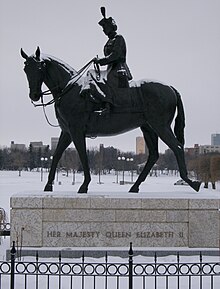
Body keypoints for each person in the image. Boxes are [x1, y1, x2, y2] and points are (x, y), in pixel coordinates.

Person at [82, 7, 132, 114]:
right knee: (91, 73)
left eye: (105, 27)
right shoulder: (109, 41)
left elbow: (116, 55)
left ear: (111, 27)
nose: (104, 30)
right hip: (110, 68)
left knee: (109, 78)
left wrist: (101, 61)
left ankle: (108, 105)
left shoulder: (119, 38)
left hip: (118, 68)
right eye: (103, 28)